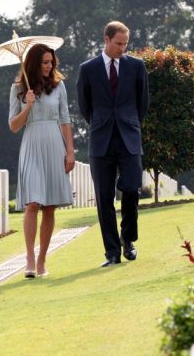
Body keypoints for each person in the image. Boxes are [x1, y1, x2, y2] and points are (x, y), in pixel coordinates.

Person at [76, 21, 149, 268]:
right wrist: (101, 123)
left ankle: (128, 239)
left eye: (125, 44)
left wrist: (130, 124)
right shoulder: (88, 69)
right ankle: (112, 252)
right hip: (101, 140)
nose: (122, 48)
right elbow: (85, 106)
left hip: (129, 137)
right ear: (106, 40)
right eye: (118, 43)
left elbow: (143, 102)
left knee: (131, 188)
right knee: (103, 198)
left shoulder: (137, 66)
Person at [8, 43, 75, 278]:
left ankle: (42, 260)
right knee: (32, 204)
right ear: (34, 64)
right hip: (31, 145)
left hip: (54, 145)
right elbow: (14, 126)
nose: (49, 66)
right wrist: (27, 106)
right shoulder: (18, 88)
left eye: (51, 62)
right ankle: (29, 257)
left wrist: (70, 151)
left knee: (49, 206)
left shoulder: (59, 87)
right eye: (45, 62)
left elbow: (65, 120)